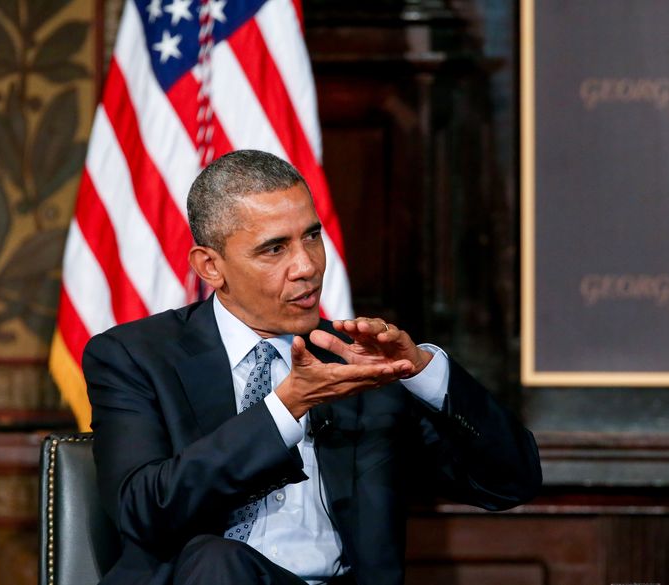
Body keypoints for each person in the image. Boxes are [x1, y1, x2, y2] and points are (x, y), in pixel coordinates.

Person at [83, 150, 541, 585]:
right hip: (209, 578)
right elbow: (143, 511)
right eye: (274, 249)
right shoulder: (136, 357)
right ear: (210, 267)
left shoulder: (355, 361)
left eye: (311, 236)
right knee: (216, 561)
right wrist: (286, 408)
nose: (307, 266)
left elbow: (508, 484)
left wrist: (420, 371)